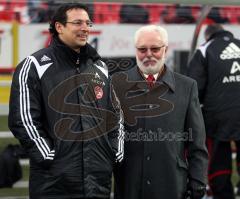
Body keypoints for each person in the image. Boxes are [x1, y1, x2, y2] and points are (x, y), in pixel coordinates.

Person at [8, 3, 124, 199]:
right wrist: (48, 156)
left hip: (97, 180)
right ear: (59, 27)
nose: (85, 28)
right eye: (77, 22)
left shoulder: (100, 67)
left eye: (88, 22)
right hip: (53, 183)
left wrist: (114, 153)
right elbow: (23, 119)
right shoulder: (34, 65)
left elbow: (116, 115)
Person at [112, 25, 208, 199]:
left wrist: (198, 184)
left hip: (172, 184)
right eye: (142, 49)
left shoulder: (187, 86)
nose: (148, 54)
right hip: (128, 185)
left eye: (155, 48)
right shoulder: (116, 85)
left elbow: (197, 144)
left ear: (166, 49)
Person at [188, 24, 240, 199]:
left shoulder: (204, 50)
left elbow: (194, 87)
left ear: (207, 36)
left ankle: (224, 195)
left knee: (218, 161)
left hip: (217, 116)